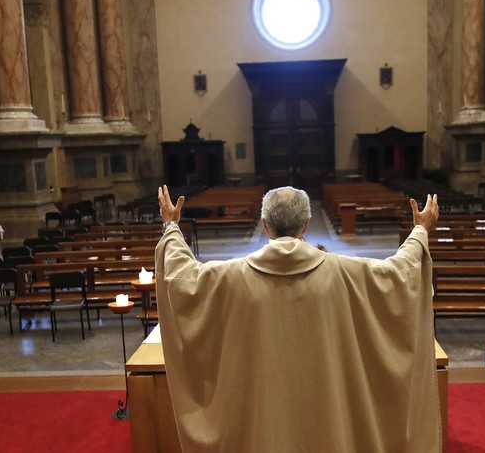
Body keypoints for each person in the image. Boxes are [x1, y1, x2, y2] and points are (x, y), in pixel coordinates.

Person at [155, 185, 441, 452]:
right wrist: (419, 230)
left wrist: (171, 226)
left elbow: (183, 278)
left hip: (262, 423)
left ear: (265, 226)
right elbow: (399, 274)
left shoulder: (230, 277)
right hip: (329, 420)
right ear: (306, 224)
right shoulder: (345, 272)